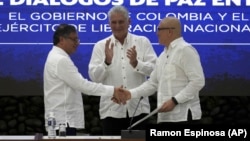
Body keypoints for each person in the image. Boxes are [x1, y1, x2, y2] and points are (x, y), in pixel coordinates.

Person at [118, 16, 205, 125]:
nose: (156, 33)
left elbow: (198, 81)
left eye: (159, 29)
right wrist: (130, 94)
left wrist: (175, 100)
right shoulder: (163, 56)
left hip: (184, 117)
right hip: (165, 118)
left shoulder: (185, 50)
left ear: (169, 31)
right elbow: (152, 83)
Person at [43, 24, 124, 136]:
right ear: (61, 39)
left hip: (60, 120)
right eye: (74, 39)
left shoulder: (54, 56)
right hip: (64, 122)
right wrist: (113, 90)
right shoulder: (60, 60)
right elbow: (83, 85)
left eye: (78, 39)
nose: (77, 43)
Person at [88, 5, 157, 135]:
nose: (117, 26)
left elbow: (155, 72)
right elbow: (94, 78)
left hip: (138, 110)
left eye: (121, 22)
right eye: (114, 22)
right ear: (109, 24)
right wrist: (106, 62)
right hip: (111, 111)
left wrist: (137, 63)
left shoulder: (142, 42)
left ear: (129, 22)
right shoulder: (100, 46)